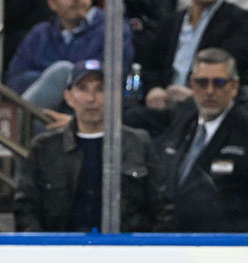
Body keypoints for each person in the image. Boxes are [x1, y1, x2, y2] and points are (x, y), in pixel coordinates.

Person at [14, 61, 170, 232]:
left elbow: (162, 206)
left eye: (100, 89)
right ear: (68, 97)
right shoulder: (44, 148)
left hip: (125, 253)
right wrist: (45, 249)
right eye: (82, 89)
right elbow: (26, 209)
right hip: (62, 252)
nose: (91, 99)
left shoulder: (138, 142)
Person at [158, 47, 248, 231]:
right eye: (202, 83)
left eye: (219, 83)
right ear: (192, 84)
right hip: (176, 242)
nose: (209, 91)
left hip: (234, 246)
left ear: (234, 87)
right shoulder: (182, 126)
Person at [6, 0, 135, 111]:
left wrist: (62, 77)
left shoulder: (113, 28)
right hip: (41, 114)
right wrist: (52, 81)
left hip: (86, 115)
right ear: (52, 3)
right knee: (61, 72)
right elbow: (15, 80)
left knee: (63, 71)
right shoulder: (39, 34)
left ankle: (7, 135)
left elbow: (108, 79)